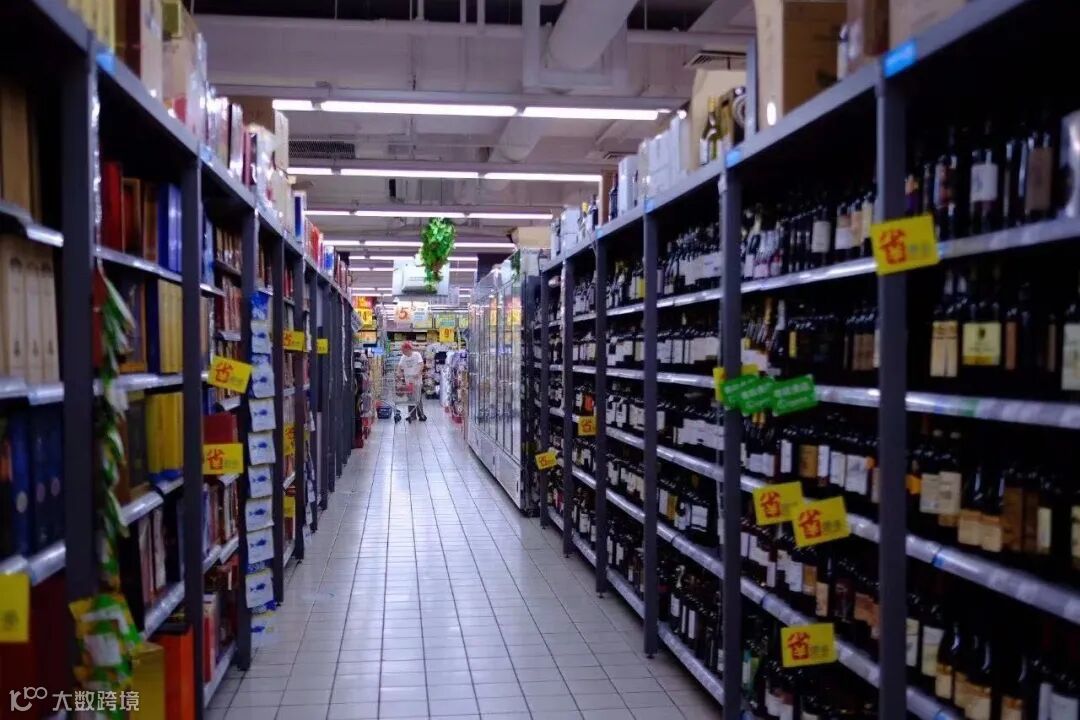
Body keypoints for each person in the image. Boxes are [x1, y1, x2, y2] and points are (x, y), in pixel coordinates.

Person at [397, 341, 427, 421]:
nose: (402, 351)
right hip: (408, 382)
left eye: (403, 350)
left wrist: (418, 373)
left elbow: (421, 365)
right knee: (410, 398)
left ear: (407, 349)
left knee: (417, 398)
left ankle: (421, 415)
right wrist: (398, 373)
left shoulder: (416, 355)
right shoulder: (403, 357)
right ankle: (412, 415)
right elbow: (399, 367)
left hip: (417, 381)